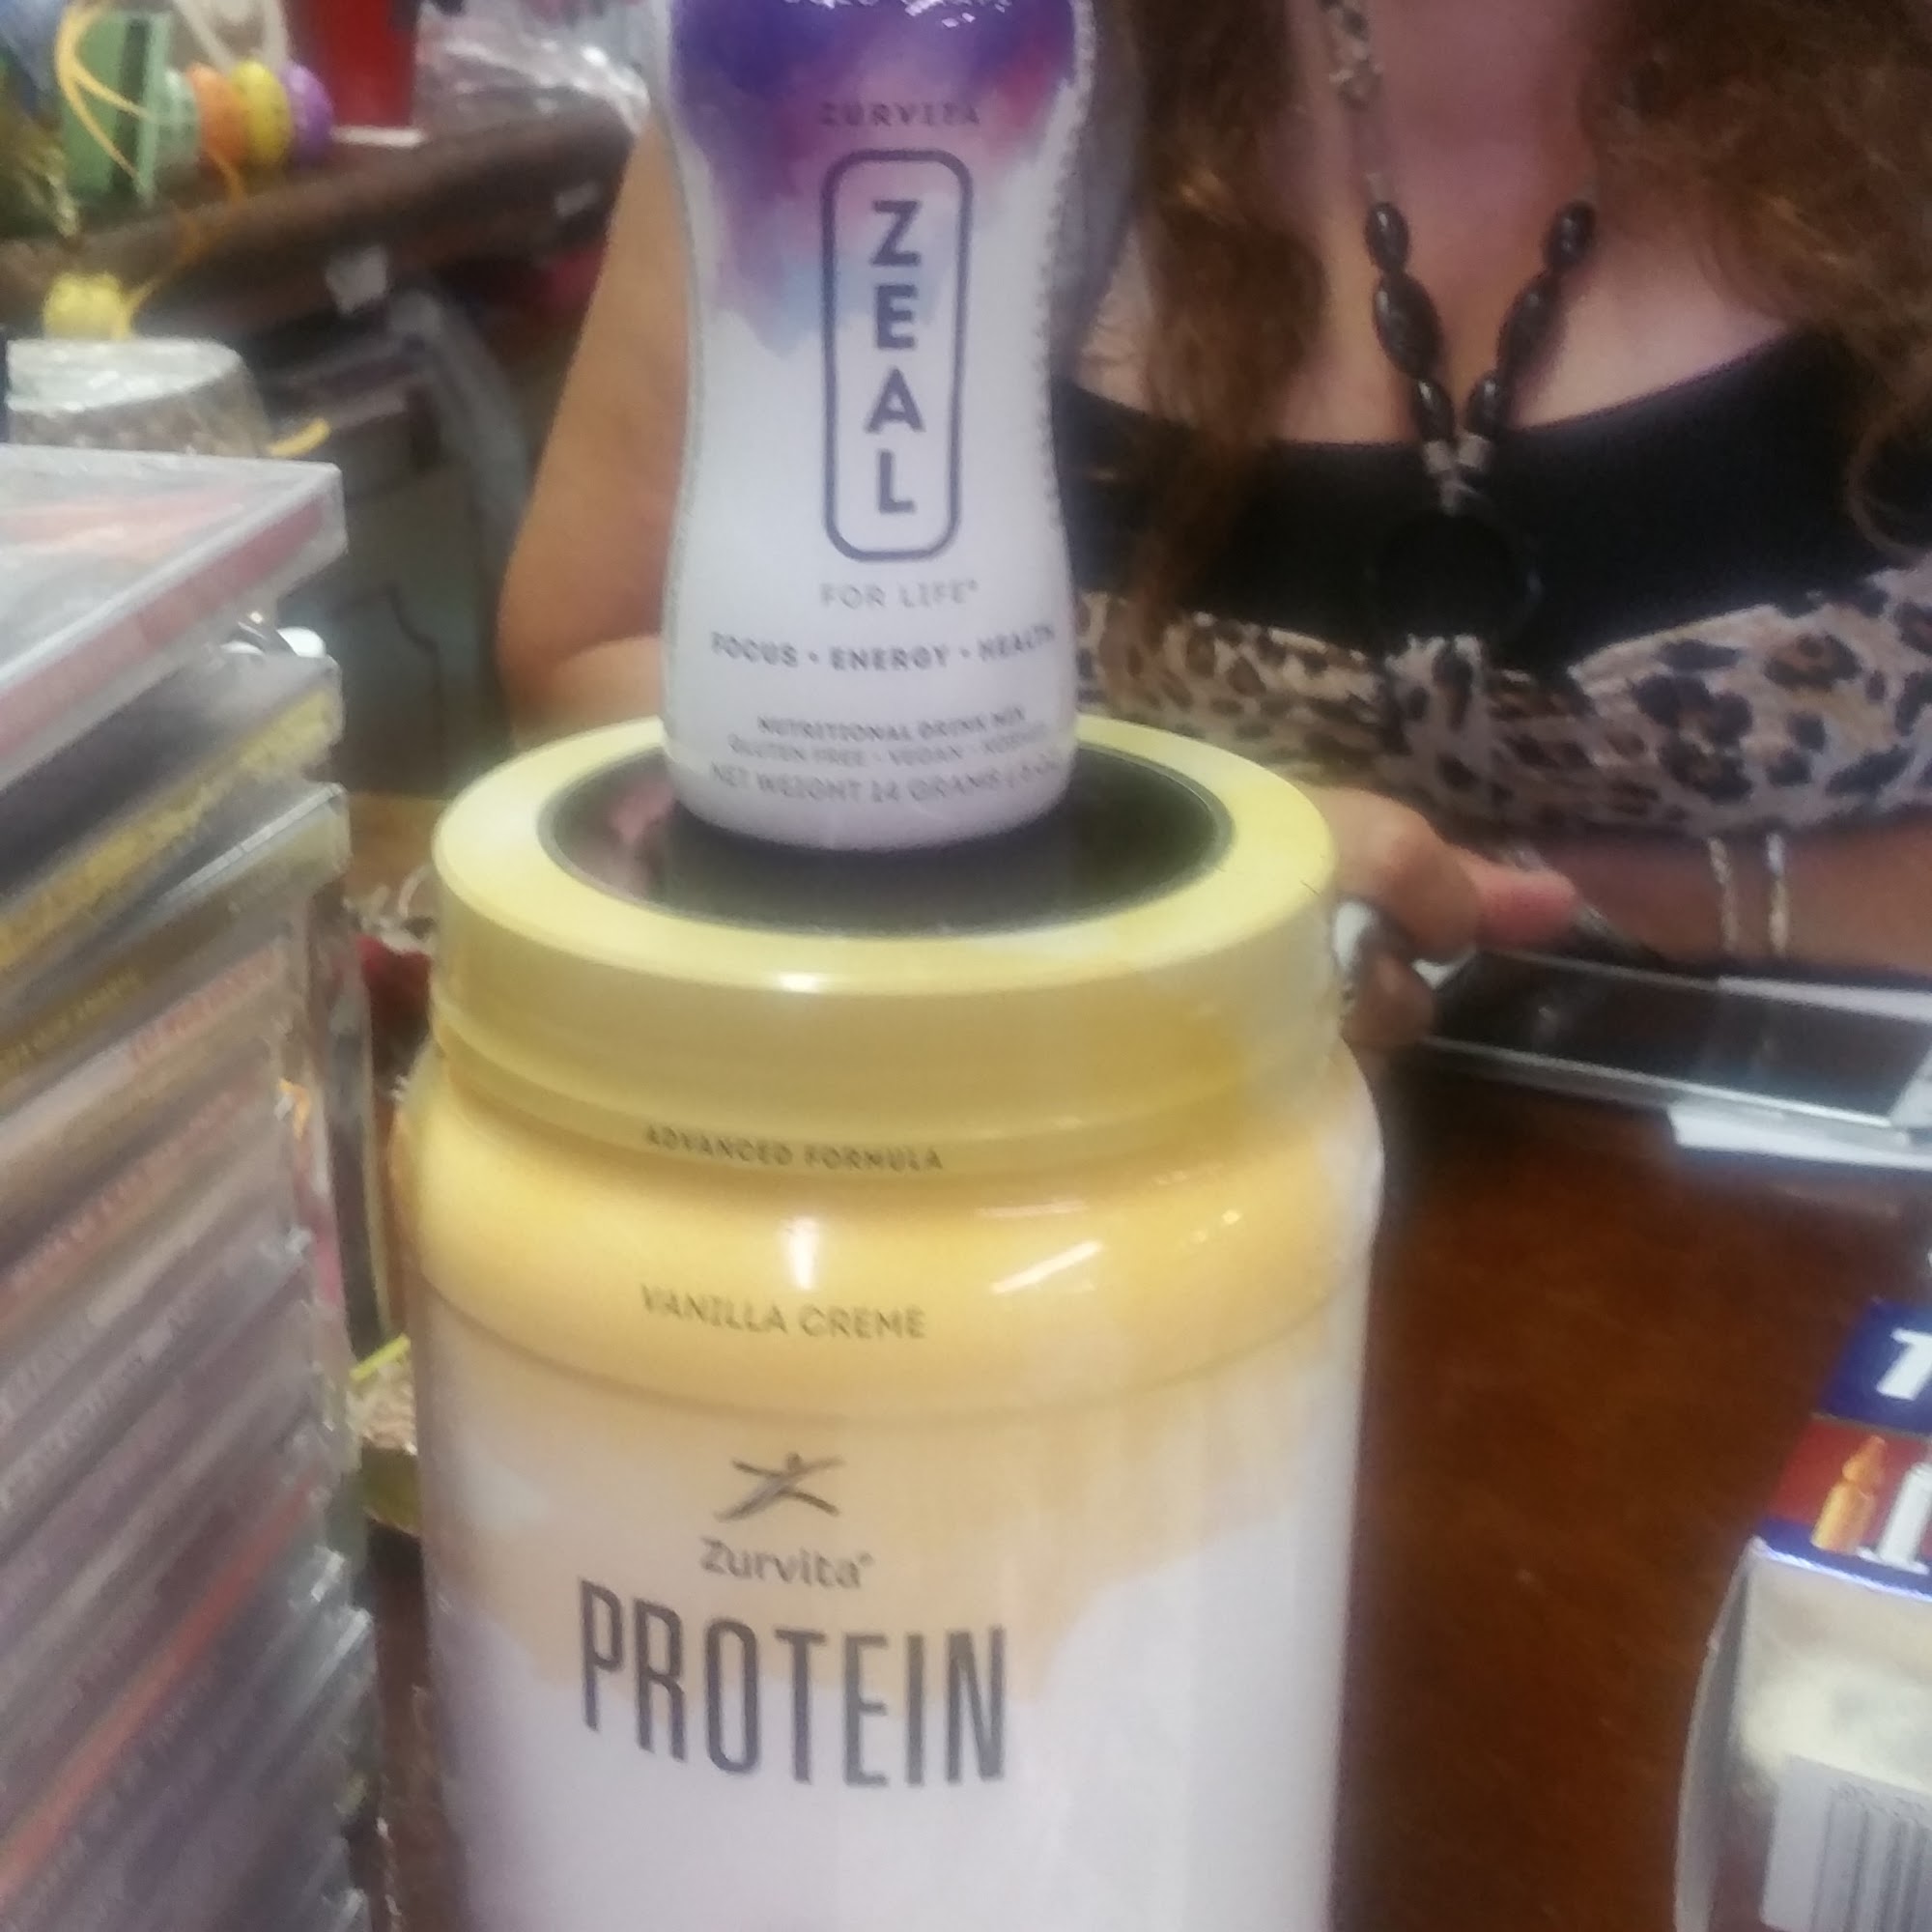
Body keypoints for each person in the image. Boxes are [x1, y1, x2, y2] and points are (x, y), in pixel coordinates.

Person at [500, 0, 1932, 1043]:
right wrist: (1174, 866)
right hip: (1083, 1190)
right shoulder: (877, 45)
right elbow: (591, 658)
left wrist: (1660, 901)